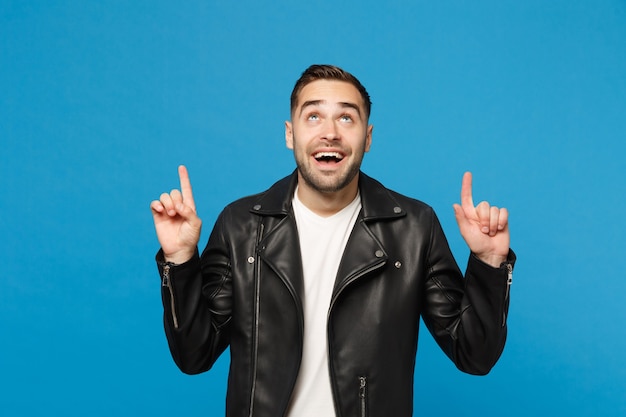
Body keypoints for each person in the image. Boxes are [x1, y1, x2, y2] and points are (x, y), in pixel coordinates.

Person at [150, 64, 515, 417]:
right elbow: (194, 355)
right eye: (313, 116)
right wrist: (180, 259)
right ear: (290, 133)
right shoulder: (241, 225)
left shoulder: (415, 227)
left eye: (346, 117)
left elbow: (475, 356)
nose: (330, 133)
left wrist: (489, 264)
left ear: (367, 138)